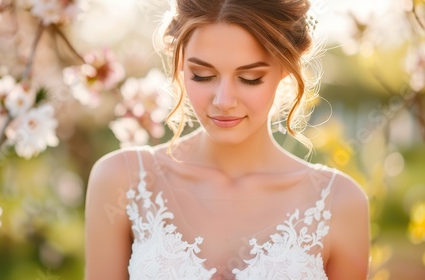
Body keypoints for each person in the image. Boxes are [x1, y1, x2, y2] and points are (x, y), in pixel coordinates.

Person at [85, 0, 370, 279]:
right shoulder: (122, 180)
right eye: (203, 75)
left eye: (249, 78)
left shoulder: (339, 203)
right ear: (181, 64)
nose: (223, 101)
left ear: (285, 68)